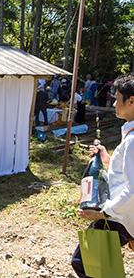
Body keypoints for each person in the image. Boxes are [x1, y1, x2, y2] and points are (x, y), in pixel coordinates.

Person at [72, 74, 134, 277]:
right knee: (96, 264)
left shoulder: (133, 140)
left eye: (117, 98)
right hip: (123, 216)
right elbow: (126, 172)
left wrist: (102, 213)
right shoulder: (130, 135)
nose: (114, 103)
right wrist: (107, 159)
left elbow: (133, 189)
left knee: (84, 263)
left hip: (118, 215)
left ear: (131, 101)